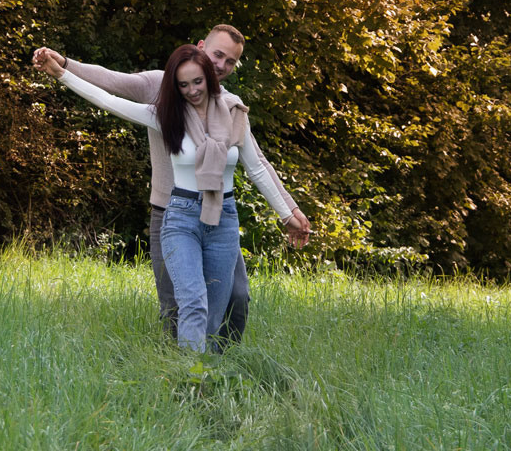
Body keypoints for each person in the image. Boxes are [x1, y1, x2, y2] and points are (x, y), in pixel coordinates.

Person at [33, 26, 311, 341]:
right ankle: (182, 374)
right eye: (217, 55)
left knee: (235, 299)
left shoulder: (232, 108)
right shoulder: (161, 93)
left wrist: (290, 210)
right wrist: (66, 67)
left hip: (219, 213)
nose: (221, 65)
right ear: (202, 47)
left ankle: (221, 368)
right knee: (179, 307)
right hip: (171, 212)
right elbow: (110, 87)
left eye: (230, 62)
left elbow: (257, 164)